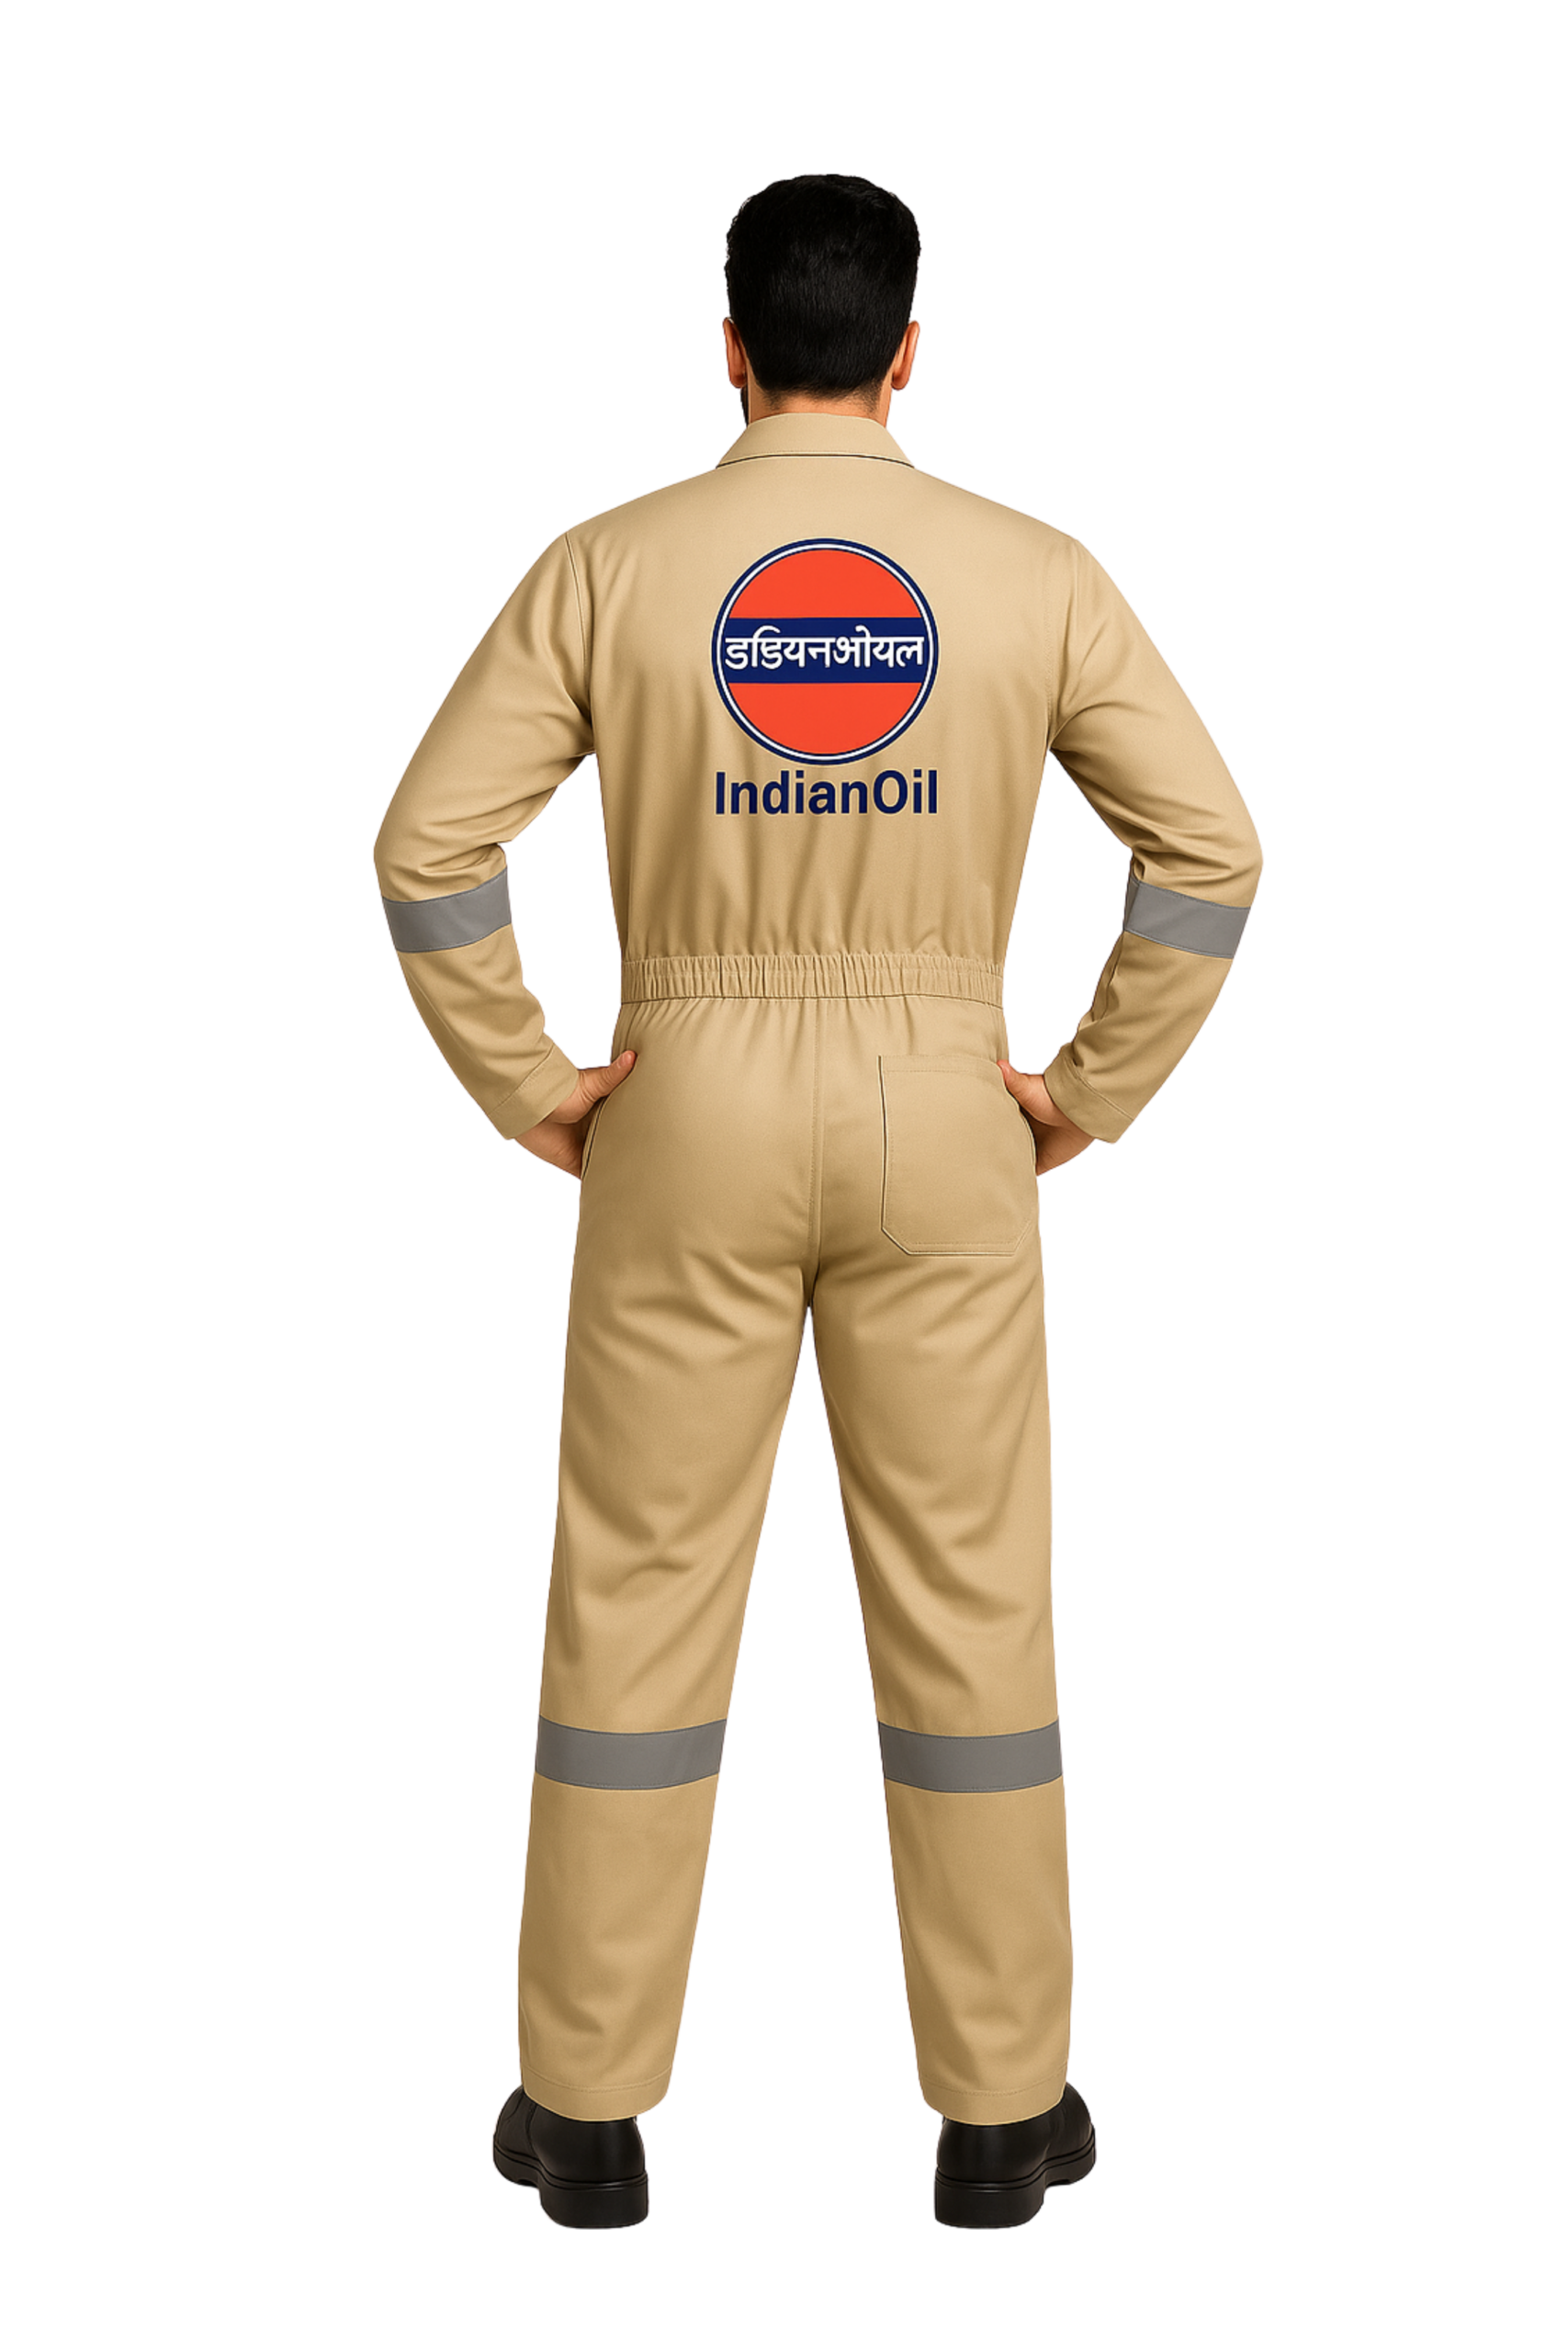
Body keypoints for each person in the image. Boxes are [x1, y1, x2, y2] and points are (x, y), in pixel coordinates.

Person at [375, 174, 1260, 2231]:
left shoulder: (610, 567)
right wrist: (1087, 1089)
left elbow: (427, 845)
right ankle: (1001, 2113)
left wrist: (529, 1081)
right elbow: (1210, 849)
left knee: (637, 1588)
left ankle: (585, 2113)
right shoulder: (1034, 575)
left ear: (729, 347)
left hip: (678, 1107)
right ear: (909, 352)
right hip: (950, 1112)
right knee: (971, 1598)